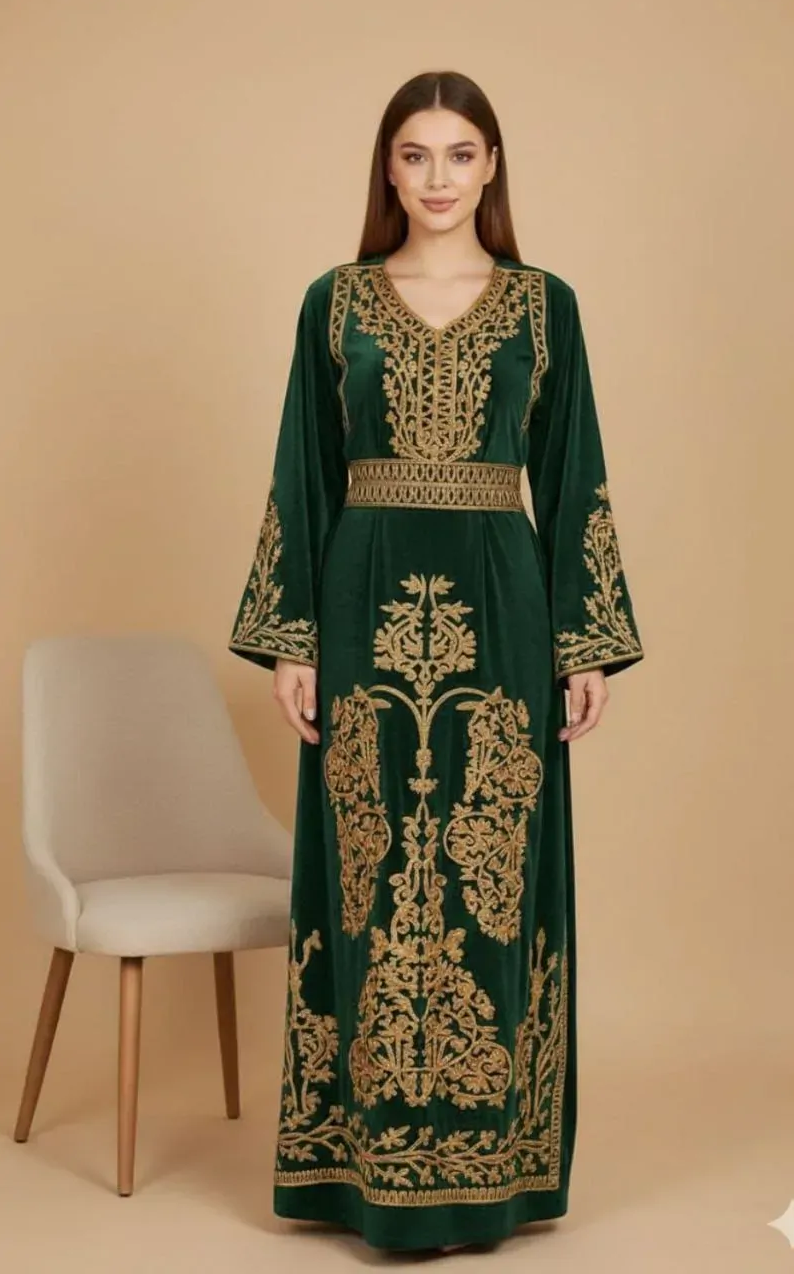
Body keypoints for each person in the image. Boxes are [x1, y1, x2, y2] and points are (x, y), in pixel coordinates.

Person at [228, 69, 644, 1254]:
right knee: (367, 876)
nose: (437, 177)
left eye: (459, 154)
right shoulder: (335, 302)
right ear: (387, 168)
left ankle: (489, 1173)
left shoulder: (543, 306)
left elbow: (572, 472)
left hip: (501, 615)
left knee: (489, 875)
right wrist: (293, 637)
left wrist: (582, 641)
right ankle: (358, 1174)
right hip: (360, 608)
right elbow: (302, 470)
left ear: (491, 165)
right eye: (414, 155)